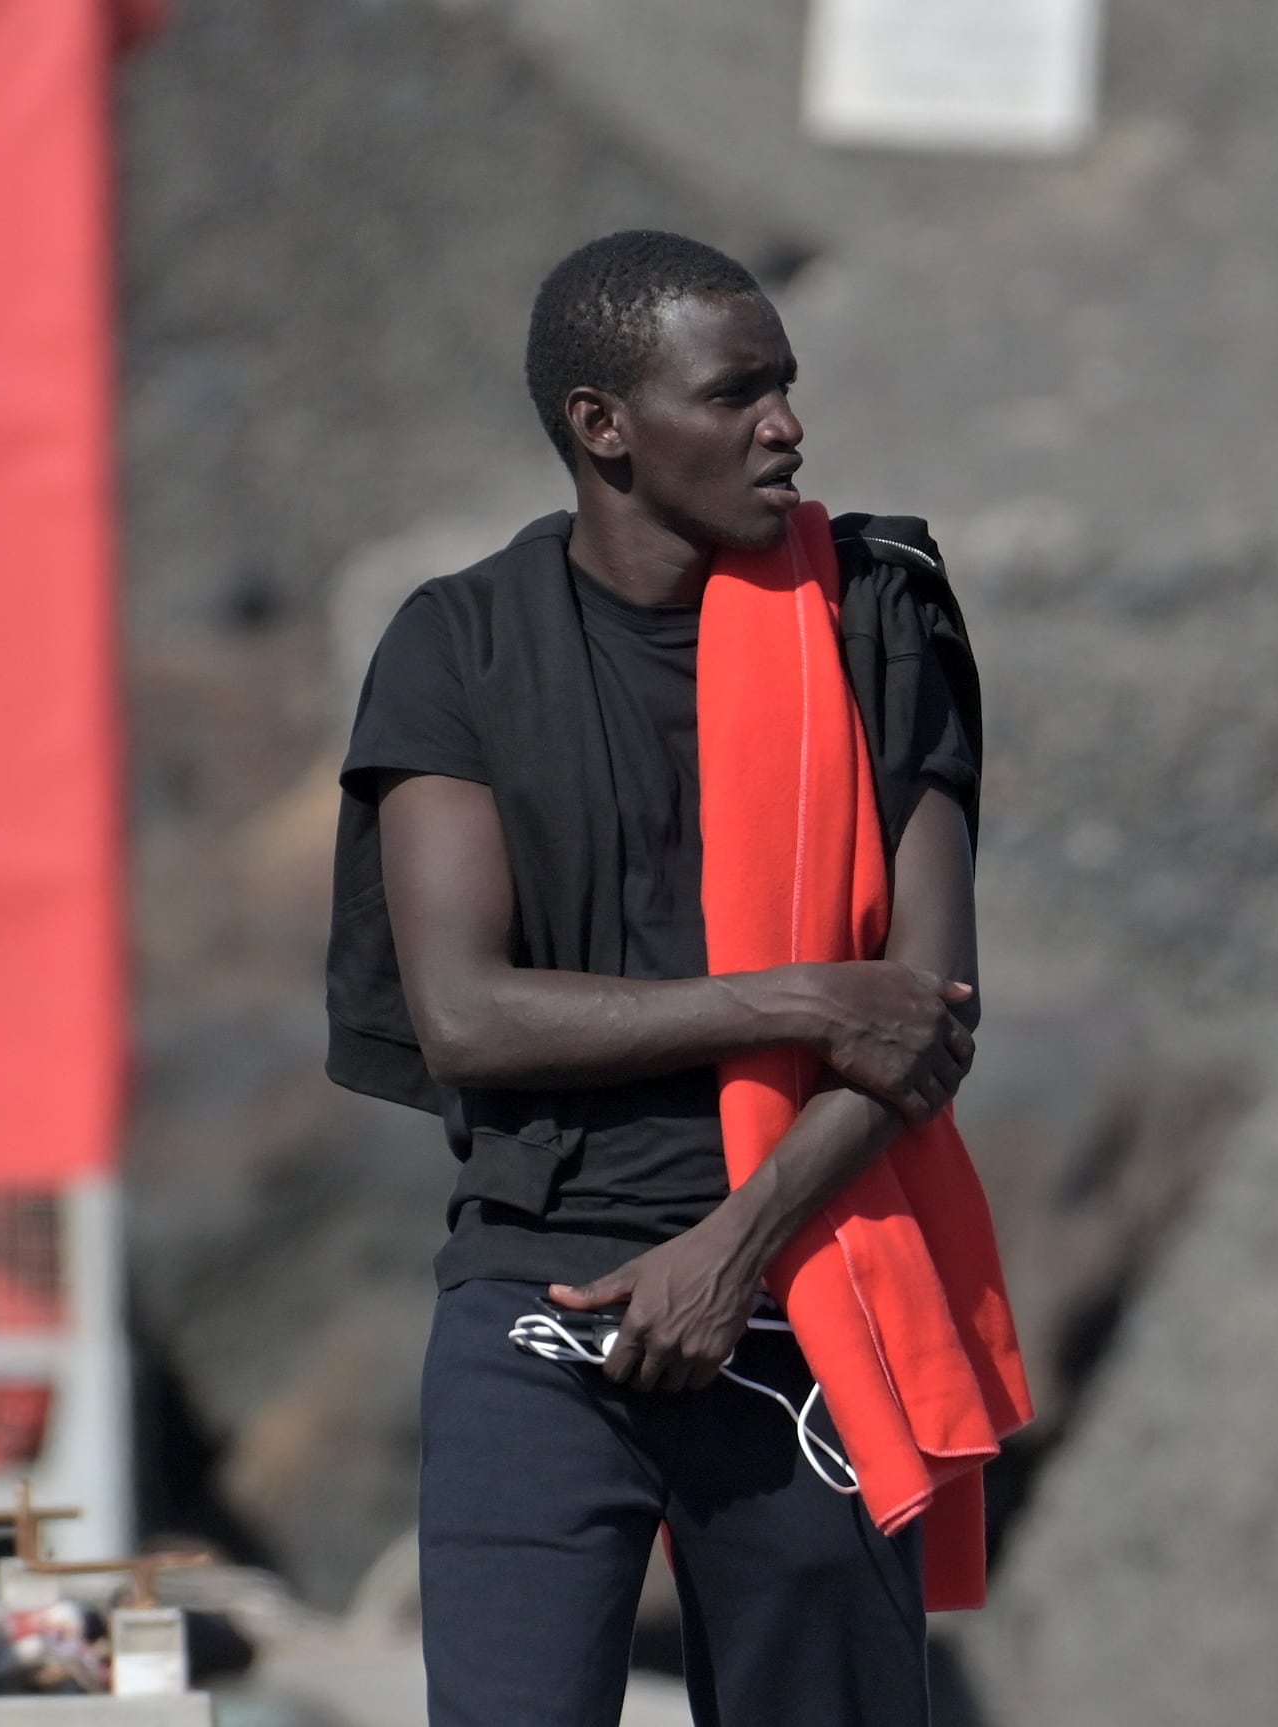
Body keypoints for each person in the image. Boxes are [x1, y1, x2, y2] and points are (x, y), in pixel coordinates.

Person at [325, 230, 1017, 1726]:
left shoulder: (877, 618)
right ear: (604, 426)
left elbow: (929, 1019)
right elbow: (467, 1015)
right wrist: (799, 998)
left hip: (810, 1291)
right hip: (538, 1304)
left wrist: (734, 1247)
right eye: (736, 394)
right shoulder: (459, 646)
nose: (787, 427)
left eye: (787, 386)